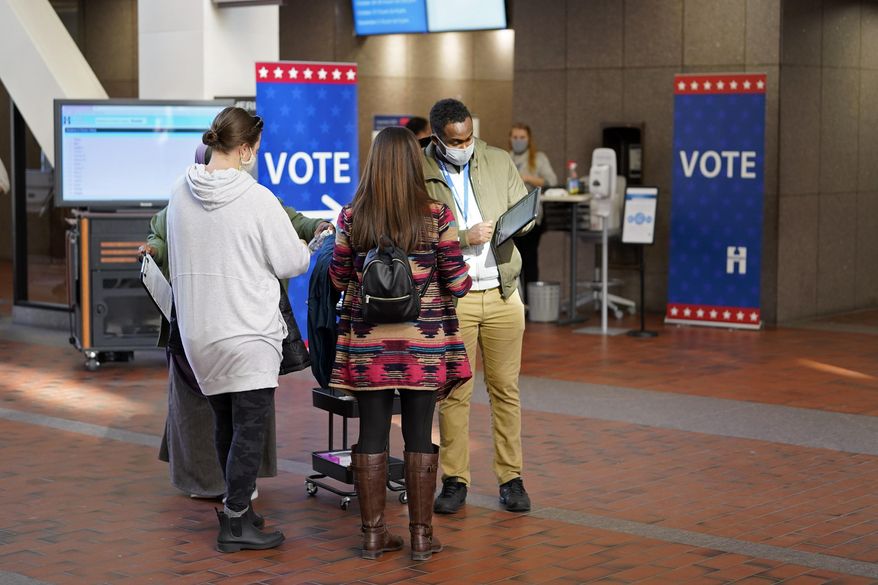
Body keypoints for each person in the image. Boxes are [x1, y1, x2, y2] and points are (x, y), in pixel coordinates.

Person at [166, 106, 311, 552]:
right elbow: (291, 261)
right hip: (247, 333)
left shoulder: (179, 193)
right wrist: (311, 244)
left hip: (198, 335)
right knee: (250, 427)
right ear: (246, 149)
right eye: (257, 149)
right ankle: (234, 524)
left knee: (226, 424)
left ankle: (239, 507)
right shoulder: (257, 199)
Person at [329, 127, 472, 561]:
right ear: (415, 163)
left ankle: (374, 536)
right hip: (422, 348)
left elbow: (337, 277)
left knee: (371, 433)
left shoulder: (353, 217)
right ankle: (422, 538)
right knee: (418, 433)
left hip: (368, 346)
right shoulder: (437, 215)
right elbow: (458, 282)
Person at [142, 187, 328, 501]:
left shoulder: (236, 196)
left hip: (203, 320)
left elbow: (293, 221)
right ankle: (223, 491)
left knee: (229, 408)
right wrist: (154, 250)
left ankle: (232, 490)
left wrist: (315, 228)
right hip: (222, 318)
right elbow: (160, 233)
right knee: (230, 408)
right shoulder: (190, 197)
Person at [422, 98, 533, 514]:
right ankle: (455, 480)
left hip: (503, 292)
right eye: (456, 140)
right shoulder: (421, 168)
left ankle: (511, 478)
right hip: (456, 296)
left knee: (506, 390)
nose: (465, 145)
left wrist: (516, 221)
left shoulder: (498, 159)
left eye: (469, 136)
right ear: (438, 139)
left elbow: (527, 212)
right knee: (455, 393)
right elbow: (414, 230)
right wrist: (462, 237)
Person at [509, 123, 557, 298]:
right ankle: (516, 300)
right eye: (515, 137)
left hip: (532, 216)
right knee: (513, 260)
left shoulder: (538, 158)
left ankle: (531, 301)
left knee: (529, 259)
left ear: (529, 139)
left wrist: (528, 178)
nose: (518, 141)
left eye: (522, 138)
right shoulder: (506, 157)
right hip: (511, 216)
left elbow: (551, 181)